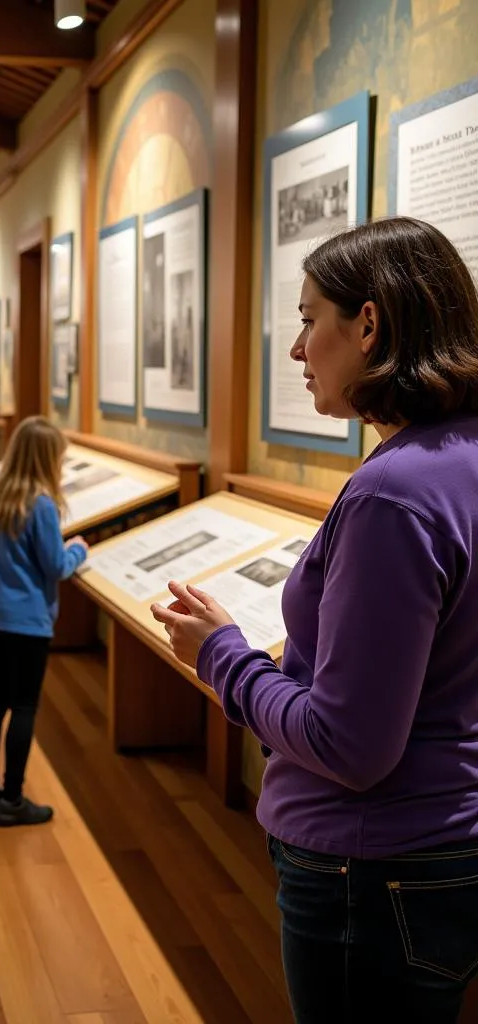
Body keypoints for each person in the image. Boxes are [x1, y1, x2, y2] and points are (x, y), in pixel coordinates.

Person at [151, 217, 478, 1023]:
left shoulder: (393, 493)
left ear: (368, 324)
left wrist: (222, 656)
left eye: (307, 319)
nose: (297, 349)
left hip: (372, 865)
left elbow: (350, 746)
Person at [0, 416, 87, 827]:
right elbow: (55, 566)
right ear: (48, 459)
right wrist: (79, 551)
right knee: (25, 705)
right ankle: (13, 799)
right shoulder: (41, 504)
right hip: (29, 619)